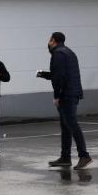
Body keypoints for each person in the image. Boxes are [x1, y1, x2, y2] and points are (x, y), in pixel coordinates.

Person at [37, 31, 92, 169]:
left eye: (49, 40)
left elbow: (59, 78)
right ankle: (65, 157)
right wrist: (43, 74)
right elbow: (60, 74)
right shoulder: (68, 52)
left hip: (67, 94)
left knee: (72, 124)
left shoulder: (58, 54)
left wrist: (57, 96)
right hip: (72, 92)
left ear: (53, 40)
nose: (48, 43)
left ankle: (84, 156)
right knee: (66, 126)